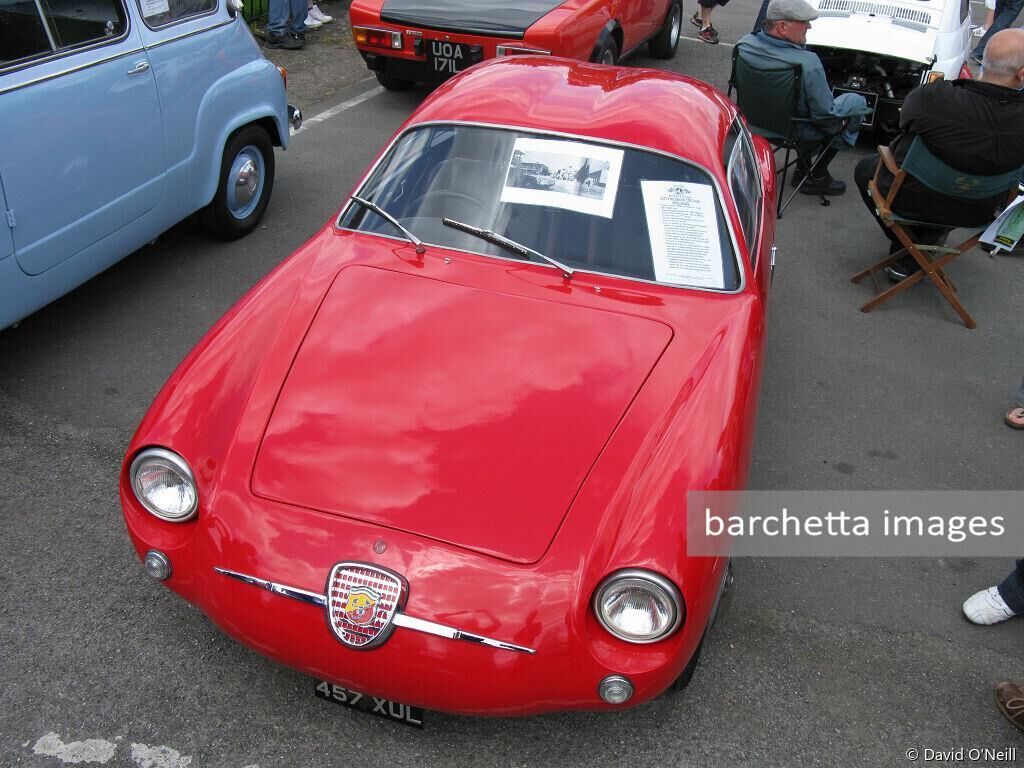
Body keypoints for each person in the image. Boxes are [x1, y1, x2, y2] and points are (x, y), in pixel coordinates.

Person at [853, 29, 1024, 280]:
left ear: (985, 60)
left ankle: (907, 249)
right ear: (1021, 74)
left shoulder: (933, 97)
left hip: (911, 198)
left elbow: (903, 123)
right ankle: (920, 247)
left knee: (866, 168)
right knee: (964, 182)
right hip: (980, 209)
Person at [736, 0, 870, 195]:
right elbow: (825, 117)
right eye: (804, 21)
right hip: (796, 133)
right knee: (855, 102)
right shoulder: (807, 62)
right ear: (782, 27)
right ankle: (817, 173)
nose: (809, 26)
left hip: (754, 124)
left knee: (803, 106)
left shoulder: (743, 45)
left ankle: (803, 168)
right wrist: (841, 123)